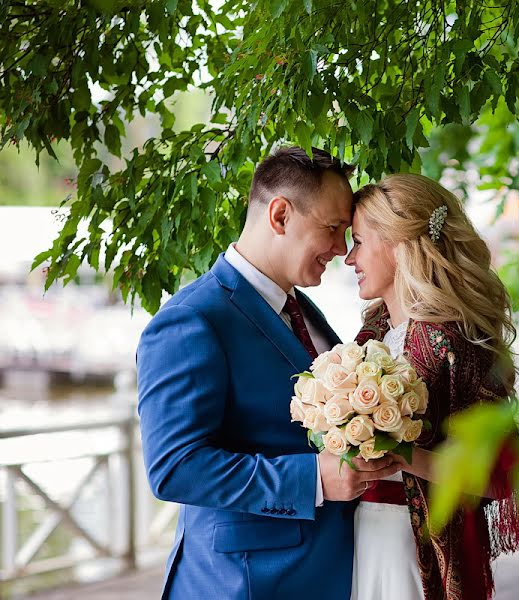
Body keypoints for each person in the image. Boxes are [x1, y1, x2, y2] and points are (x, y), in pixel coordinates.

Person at [136, 147, 401, 599]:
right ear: (280, 215)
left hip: (323, 574)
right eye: (333, 229)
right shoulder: (192, 320)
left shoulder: (301, 307)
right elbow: (175, 467)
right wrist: (313, 480)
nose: (341, 250)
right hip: (243, 583)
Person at [345, 173, 519, 600]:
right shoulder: (370, 336)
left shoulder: (458, 345)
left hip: (416, 546)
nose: (349, 258)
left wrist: (400, 454)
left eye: (358, 241)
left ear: (397, 243)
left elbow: (495, 480)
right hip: (361, 538)